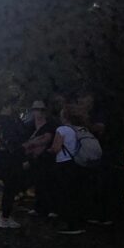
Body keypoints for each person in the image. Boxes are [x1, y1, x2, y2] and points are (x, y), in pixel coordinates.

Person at [50, 105, 88, 235]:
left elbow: (56, 147)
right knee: (72, 193)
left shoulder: (61, 129)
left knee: (64, 194)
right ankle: (75, 221)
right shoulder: (75, 130)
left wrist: (49, 150)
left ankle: (69, 224)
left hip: (62, 163)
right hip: (73, 163)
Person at [0, 105, 27, 229]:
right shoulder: (8, 122)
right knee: (10, 188)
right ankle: (5, 217)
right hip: (9, 159)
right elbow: (14, 140)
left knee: (9, 188)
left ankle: (5, 216)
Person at [23, 101, 58, 218]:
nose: (40, 112)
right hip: (34, 159)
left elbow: (46, 140)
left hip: (47, 158)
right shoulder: (29, 125)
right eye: (37, 109)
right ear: (32, 111)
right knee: (38, 183)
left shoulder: (50, 125)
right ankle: (39, 207)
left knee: (48, 183)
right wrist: (34, 142)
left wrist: (32, 143)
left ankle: (52, 208)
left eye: (42, 109)